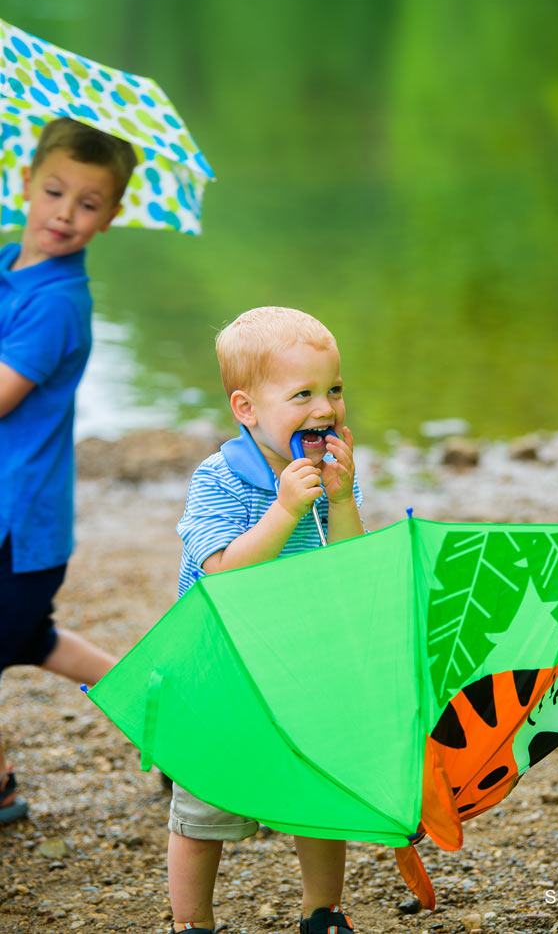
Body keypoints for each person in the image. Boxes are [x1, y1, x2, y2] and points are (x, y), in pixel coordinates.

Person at [169, 305, 365, 934]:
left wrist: (340, 499)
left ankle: (322, 912)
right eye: (302, 394)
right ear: (246, 407)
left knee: (319, 795)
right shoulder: (221, 478)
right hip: (224, 669)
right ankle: (189, 921)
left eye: (334, 389)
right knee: (205, 810)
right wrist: (281, 512)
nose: (326, 409)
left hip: (303, 660)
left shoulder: (329, 474)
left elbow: (351, 562)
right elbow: (224, 571)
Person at [0, 116, 137, 824]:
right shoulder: (9, 266)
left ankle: (171, 728)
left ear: (111, 217)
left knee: (25, 636)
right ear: (24, 182)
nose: (64, 213)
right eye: (53, 191)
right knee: (32, 640)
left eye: (88, 203)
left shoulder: (57, 303)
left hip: (17, 523)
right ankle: (162, 720)